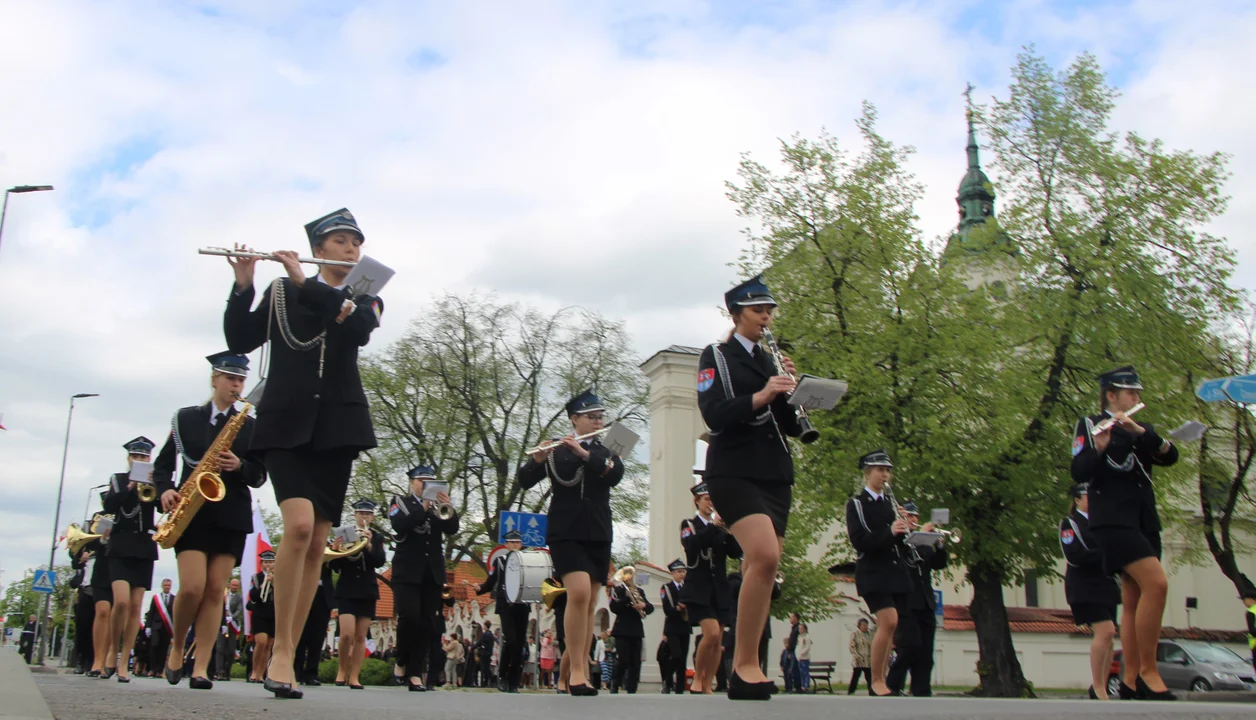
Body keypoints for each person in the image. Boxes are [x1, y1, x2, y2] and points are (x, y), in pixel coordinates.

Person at [223, 208, 383, 699]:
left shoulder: (367, 297)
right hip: (284, 421)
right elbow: (240, 339)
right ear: (318, 245)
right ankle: (283, 650)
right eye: (339, 240)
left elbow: (356, 332)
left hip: (337, 425)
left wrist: (301, 278)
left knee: (316, 541)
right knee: (295, 528)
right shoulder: (280, 292)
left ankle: (288, 645)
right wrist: (245, 282)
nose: (351, 249)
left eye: (355, 241)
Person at [696, 275, 804, 701]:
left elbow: (791, 427)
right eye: (759, 310)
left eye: (769, 311)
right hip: (732, 470)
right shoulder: (717, 356)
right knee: (763, 554)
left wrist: (797, 394)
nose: (767, 317)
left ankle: (746, 666)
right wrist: (762, 395)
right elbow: (715, 414)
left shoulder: (772, 360)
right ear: (737, 314)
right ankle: (742, 664)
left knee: (764, 569)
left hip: (775, 474)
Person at [151, 350, 266, 689]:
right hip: (192, 513)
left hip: (230, 513)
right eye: (231, 378)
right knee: (192, 588)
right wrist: (165, 491)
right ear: (215, 379)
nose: (237, 385)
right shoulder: (185, 419)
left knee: (216, 590)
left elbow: (259, 475)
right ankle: (177, 646)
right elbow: (162, 465)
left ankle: (200, 666)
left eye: (241, 380)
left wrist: (240, 466)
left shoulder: (250, 425)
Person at [1071, 366, 1178, 701]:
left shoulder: (1140, 427)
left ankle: (1131, 680)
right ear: (1111, 395)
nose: (1136, 398)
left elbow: (1169, 455)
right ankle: (1149, 672)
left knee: (1134, 598)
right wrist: (1099, 447)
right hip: (1112, 520)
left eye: (1137, 393)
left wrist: (1140, 432)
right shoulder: (1090, 425)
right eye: (1129, 393)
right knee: (1157, 583)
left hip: (1144, 519)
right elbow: (1079, 470)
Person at [518, 388, 626, 696]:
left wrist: (585, 454)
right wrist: (537, 460)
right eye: (591, 417)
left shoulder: (611, 444)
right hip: (565, 532)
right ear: (574, 419)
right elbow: (525, 481)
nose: (598, 421)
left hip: (599, 532)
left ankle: (571, 670)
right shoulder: (556, 449)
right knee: (577, 594)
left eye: (600, 417)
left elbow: (615, 474)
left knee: (590, 604)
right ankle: (578, 672)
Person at [103, 436, 175, 682]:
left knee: (135, 607)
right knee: (120, 602)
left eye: (144, 457)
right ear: (128, 458)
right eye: (136, 456)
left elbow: (163, 506)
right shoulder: (118, 479)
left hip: (144, 546)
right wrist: (130, 488)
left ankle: (125, 660)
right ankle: (112, 649)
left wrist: (160, 486)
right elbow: (109, 505)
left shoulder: (153, 481)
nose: (140, 460)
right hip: (120, 544)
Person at [845, 449, 912, 697]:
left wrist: (907, 531)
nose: (885, 475)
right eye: (880, 470)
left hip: (894, 573)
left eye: (887, 471)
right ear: (868, 473)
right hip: (873, 573)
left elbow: (899, 544)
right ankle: (876, 681)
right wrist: (890, 532)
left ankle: (882, 681)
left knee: (892, 627)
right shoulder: (857, 504)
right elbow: (860, 541)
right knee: (889, 620)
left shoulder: (892, 505)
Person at [389, 465, 460, 691]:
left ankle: (415, 673)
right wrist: (424, 507)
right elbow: (400, 525)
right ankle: (401, 659)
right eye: (421, 480)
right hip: (407, 571)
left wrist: (448, 506)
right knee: (409, 616)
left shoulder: (437, 507)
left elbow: (452, 528)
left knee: (426, 623)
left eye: (430, 480)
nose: (426, 484)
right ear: (412, 483)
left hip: (432, 573)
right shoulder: (400, 502)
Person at [680, 483, 742, 694]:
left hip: (719, 588)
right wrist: (713, 527)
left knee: (719, 640)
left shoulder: (720, 527)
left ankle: (708, 683)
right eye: (707, 499)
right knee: (712, 633)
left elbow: (735, 553)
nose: (710, 503)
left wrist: (730, 530)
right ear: (697, 501)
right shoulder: (689, 524)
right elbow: (692, 545)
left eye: (712, 499)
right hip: (699, 587)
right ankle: (698, 677)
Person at [886, 502, 947, 697]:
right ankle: (892, 686)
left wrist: (939, 545)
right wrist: (917, 540)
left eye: (916, 517)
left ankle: (922, 690)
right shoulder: (899, 543)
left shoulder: (924, 544)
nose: (913, 520)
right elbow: (906, 561)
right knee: (909, 646)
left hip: (926, 602)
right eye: (910, 516)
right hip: (907, 602)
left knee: (926, 653)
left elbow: (939, 564)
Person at [329, 499, 387, 689]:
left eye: (368, 514)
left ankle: (354, 676)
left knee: (361, 636)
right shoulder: (346, 534)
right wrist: (336, 551)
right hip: (347, 588)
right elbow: (336, 567)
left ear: (372, 516)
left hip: (367, 589)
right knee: (346, 634)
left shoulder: (377, 537)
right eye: (361, 513)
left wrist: (370, 544)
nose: (364, 516)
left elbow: (379, 561)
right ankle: (342, 670)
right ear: (355, 515)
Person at [475, 530, 530, 692]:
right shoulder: (500, 561)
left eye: (517, 542)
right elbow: (491, 582)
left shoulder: (527, 561)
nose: (515, 545)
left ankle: (513, 682)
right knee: (511, 640)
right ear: (506, 545)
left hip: (523, 605)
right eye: (512, 543)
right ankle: (503, 675)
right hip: (505, 605)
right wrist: (480, 589)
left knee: (520, 644)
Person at [608, 567, 654, 694]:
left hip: (636, 630)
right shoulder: (617, 591)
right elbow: (614, 607)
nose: (629, 579)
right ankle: (615, 683)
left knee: (635, 662)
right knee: (623, 659)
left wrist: (643, 605)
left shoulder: (639, 591)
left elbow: (650, 608)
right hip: (621, 629)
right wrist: (628, 600)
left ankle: (632, 688)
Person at [87, 511, 115, 677]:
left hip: (121, 569)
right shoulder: (98, 518)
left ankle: (106, 660)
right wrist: (103, 539)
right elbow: (88, 544)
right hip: (102, 571)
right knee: (103, 611)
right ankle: (97, 661)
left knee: (113, 616)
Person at [298, 563, 334, 686]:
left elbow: (337, 567)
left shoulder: (328, 545)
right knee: (300, 635)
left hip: (322, 595)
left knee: (318, 637)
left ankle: (312, 673)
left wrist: (333, 555)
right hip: (301, 590)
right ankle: (297, 672)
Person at [659, 559, 690, 694]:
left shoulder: (687, 588)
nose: (681, 574)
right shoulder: (666, 588)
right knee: (676, 655)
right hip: (672, 627)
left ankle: (680, 688)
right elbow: (667, 609)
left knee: (683, 659)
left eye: (683, 571)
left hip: (685, 626)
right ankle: (667, 679)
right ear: (672, 573)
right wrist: (678, 608)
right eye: (678, 572)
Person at [246, 551, 277, 683]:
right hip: (260, 611)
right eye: (266, 562)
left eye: (271, 562)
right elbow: (253, 595)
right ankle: (254, 671)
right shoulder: (256, 577)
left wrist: (274, 582)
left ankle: (261, 674)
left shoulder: (280, 577)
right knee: (261, 642)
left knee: (269, 645)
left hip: (274, 612)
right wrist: (264, 584)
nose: (268, 564)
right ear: (261, 564)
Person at [146, 579, 175, 680]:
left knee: (163, 649)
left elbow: (175, 615)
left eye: (169, 585)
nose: (167, 587)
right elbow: (151, 613)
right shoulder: (156, 598)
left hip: (167, 628)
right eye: (165, 585)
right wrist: (148, 626)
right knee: (154, 646)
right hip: (156, 626)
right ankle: (152, 669)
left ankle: (159, 670)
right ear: (162, 586)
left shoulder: (174, 599)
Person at [217, 578, 245, 680]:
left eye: (236, 586)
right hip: (222, 625)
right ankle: (219, 671)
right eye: (233, 585)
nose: (234, 587)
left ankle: (227, 671)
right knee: (220, 649)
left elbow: (239, 609)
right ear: (229, 585)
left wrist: (232, 617)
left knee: (230, 650)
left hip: (233, 626)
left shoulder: (239, 597)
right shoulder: (224, 595)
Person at [847, 618, 873, 693]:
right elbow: (852, 646)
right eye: (863, 625)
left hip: (868, 660)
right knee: (856, 676)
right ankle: (851, 691)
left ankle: (871, 691)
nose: (865, 627)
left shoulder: (870, 634)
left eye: (866, 625)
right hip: (859, 660)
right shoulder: (855, 634)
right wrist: (856, 655)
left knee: (869, 677)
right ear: (859, 625)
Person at [782, 612, 801, 693]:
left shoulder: (798, 629)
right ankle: (788, 687)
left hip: (793, 651)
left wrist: (792, 650)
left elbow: (797, 641)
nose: (790, 619)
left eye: (791, 617)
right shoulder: (793, 628)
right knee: (787, 669)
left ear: (796, 618)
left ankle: (796, 687)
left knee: (793, 670)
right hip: (790, 650)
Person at [1242, 588, 1256, 670]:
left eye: (1244, 599)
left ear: (1251, 599)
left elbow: (1252, 631)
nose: (1243, 602)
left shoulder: (1251, 611)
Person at [796, 623, 812, 692]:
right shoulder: (800, 637)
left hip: (805, 658)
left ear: (805, 629)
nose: (800, 630)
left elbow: (807, 647)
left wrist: (801, 653)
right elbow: (798, 647)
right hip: (799, 658)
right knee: (801, 672)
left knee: (805, 672)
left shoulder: (807, 637)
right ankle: (802, 685)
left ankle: (806, 686)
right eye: (799, 628)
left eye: (801, 628)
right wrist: (797, 654)